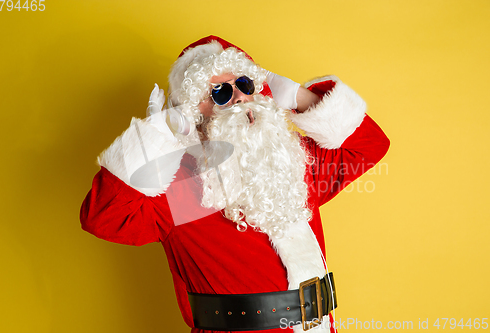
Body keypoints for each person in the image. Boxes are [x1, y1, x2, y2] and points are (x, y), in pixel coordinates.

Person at [80, 35, 390, 333]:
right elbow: (105, 217)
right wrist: (157, 134)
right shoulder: (180, 187)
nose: (240, 97)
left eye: (244, 84)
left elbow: (369, 146)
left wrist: (295, 95)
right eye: (221, 93)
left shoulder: (293, 161)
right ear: (191, 113)